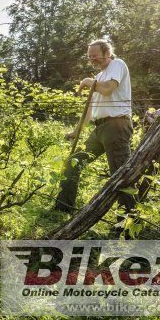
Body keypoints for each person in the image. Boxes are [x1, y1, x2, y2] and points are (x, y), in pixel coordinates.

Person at [55, 39, 136, 214]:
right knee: (73, 163)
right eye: (89, 57)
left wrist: (86, 81)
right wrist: (75, 132)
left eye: (95, 56)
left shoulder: (117, 64)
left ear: (107, 53)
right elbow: (90, 111)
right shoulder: (99, 77)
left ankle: (128, 221)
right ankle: (63, 208)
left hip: (116, 126)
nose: (92, 60)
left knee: (121, 175)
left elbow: (108, 89)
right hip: (100, 129)